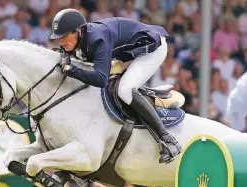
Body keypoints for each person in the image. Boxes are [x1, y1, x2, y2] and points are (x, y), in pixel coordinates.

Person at [49, 8, 180, 164]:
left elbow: (100, 79)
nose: (61, 42)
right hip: (127, 51)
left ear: (78, 32)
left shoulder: (98, 39)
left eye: (64, 37)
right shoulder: (82, 39)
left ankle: (167, 139)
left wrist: (71, 70)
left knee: (124, 90)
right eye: (58, 38)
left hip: (151, 49)